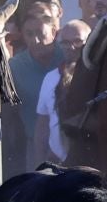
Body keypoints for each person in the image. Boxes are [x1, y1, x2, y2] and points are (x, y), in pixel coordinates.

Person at [30, 18, 90, 165]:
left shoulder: (98, 77)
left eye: (77, 41)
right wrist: (40, 164)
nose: (71, 47)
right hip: (59, 164)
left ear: (88, 43)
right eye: (66, 42)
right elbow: (42, 125)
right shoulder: (50, 78)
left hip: (92, 162)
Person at [5, 2, 60, 155]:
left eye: (40, 33)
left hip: (70, 144)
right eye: (29, 34)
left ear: (53, 32)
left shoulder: (67, 57)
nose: (35, 40)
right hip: (35, 146)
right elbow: (8, 113)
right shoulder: (15, 67)